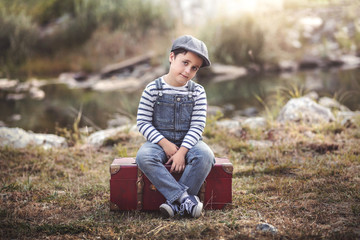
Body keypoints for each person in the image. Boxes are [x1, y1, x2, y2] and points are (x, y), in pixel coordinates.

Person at [136, 35, 215, 218]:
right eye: (184, 62)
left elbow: (197, 125)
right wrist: (165, 144)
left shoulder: (197, 91)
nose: (188, 71)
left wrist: (182, 152)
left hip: (189, 142)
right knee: (144, 156)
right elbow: (143, 122)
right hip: (159, 142)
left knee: (206, 155)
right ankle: (184, 198)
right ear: (172, 57)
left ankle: (174, 203)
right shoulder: (152, 89)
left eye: (194, 68)